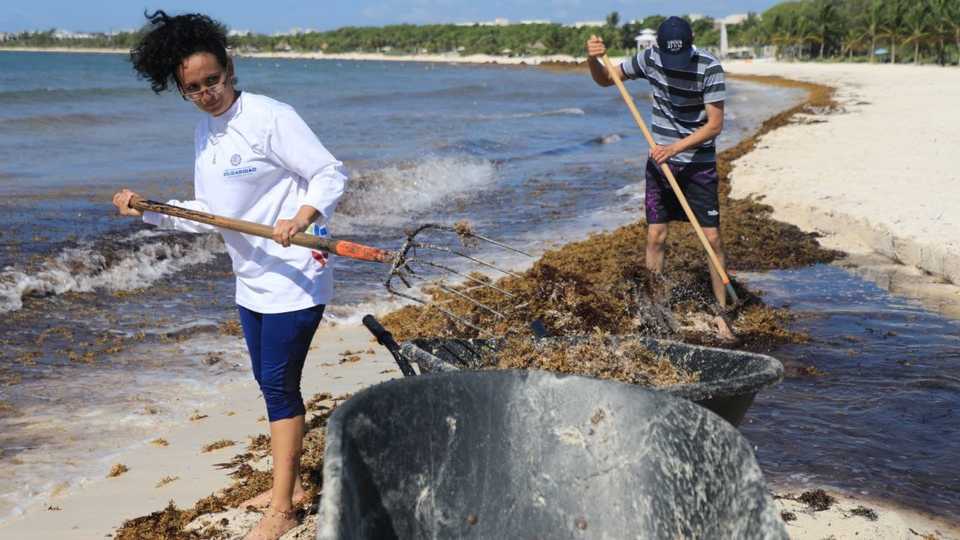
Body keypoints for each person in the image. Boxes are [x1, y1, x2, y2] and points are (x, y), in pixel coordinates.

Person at [112, 11, 347, 540]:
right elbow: (208, 215)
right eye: (192, 88)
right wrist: (150, 208)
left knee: (280, 385)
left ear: (230, 69)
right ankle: (289, 484)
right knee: (270, 385)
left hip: (294, 274)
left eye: (212, 81)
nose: (205, 94)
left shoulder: (269, 117)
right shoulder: (205, 132)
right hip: (251, 278)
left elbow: (329, 172)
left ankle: (284, 507)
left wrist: (301, 217)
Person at [586, 16, 734, 339]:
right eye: (669, 58)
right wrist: (592, 60)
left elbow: (714, 125)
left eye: (678, 58)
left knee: (711, 240)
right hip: (660, 162)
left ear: (691, 47)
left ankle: (722, 313)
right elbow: (607, 80)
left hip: (698, 164)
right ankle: (653, 310)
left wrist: (674, 148)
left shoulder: (709, 67)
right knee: (656, 236)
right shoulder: (651, 58)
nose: (672, 64)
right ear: (659, 49)